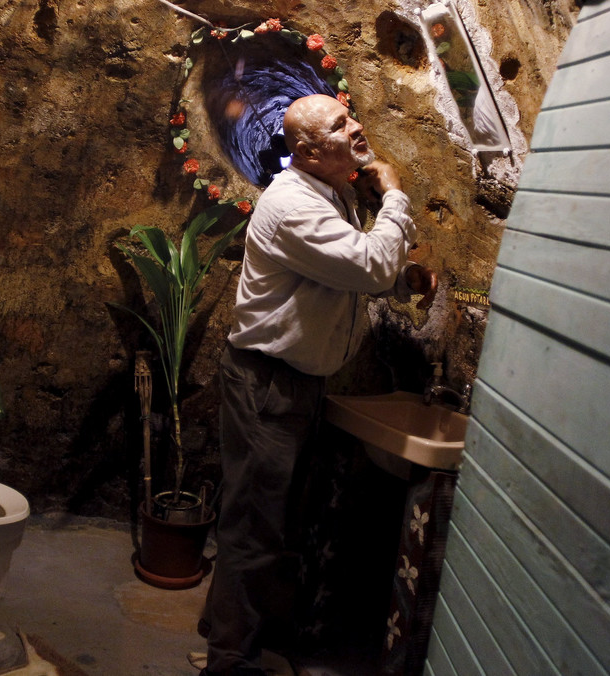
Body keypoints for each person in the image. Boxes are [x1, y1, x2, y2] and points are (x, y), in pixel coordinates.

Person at [200, 94, 437, 676]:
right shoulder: (291, 206)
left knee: (267, 519)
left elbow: (350, 273)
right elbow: (368, 264)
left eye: (351, 115)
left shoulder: (330, 196)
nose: (357, 127)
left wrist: (402, 280)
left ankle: (234, 633)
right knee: (254, 527)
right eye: (340, 124)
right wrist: (396, 194)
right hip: (268, 386)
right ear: (306, 150)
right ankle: (229, 662)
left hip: (295, 384)